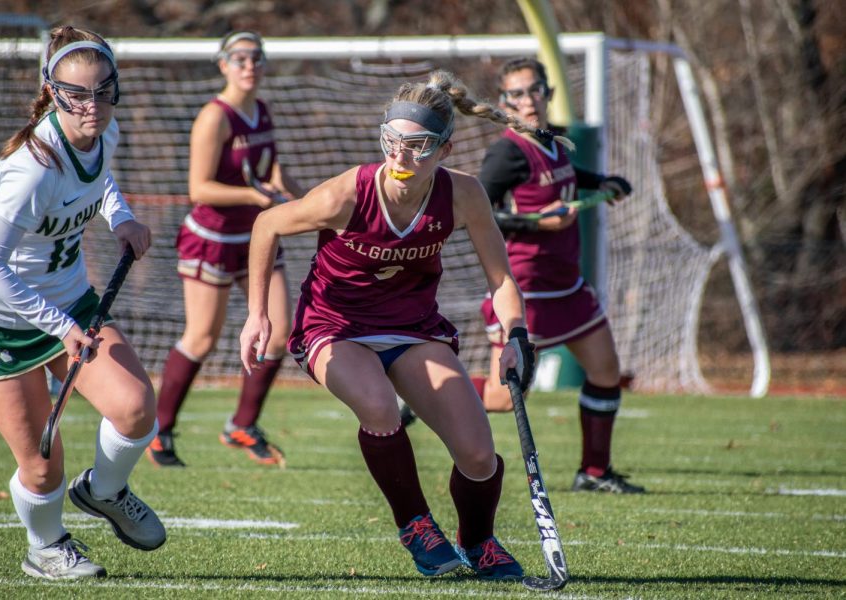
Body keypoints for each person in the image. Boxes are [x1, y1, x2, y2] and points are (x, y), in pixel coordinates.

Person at [240, 70, 542, 581]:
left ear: (444, 150)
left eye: (419, 146)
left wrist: (516, 335)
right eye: (393, 141)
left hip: (413, 328)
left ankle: (479, 541)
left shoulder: (464, 195)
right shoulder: (347, 194)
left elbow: (502, 281)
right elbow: (267, 223)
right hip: (334, 326)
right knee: (380, 408)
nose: (401, 156)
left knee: (478, 454)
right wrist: (257, 314)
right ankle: (416, 524)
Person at [0, 26, 165, 579]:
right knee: (42, 467)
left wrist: (122, 219)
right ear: (52, 91)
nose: (92, 106)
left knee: (137, 408)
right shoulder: (30, 170)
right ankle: (44, 548)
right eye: (77, 94)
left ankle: (104, 491)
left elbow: (101, 180)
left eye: (103, 90)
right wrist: (59, 328)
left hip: (69, 300)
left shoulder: (102, 133)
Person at [476, 57, 644, 494]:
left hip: (568, 284)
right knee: (500, 397)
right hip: (525, 289)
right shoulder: (506, 152)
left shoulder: (554, 140)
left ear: (547, 93)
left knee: (606, 370)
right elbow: (477, 215)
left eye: (534, 90)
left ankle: (594, 472)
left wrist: (602, 181)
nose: (527, 101)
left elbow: (567, 175)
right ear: (503, 102)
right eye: (516, 94)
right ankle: (422, 391)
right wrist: (535, 222)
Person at [148, 31, 302, 468]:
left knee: (280, 331)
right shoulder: (214, 118)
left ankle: (242, 424)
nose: (249, 65)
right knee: (203, 337)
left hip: (257, 234)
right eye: (239, 58)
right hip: (213, 238)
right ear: (223, 65)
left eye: (256, 57)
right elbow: (199, 188)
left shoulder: (263, 111)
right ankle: (159, 430)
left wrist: (307, 200)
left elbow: (271, 169)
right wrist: (255, 198)